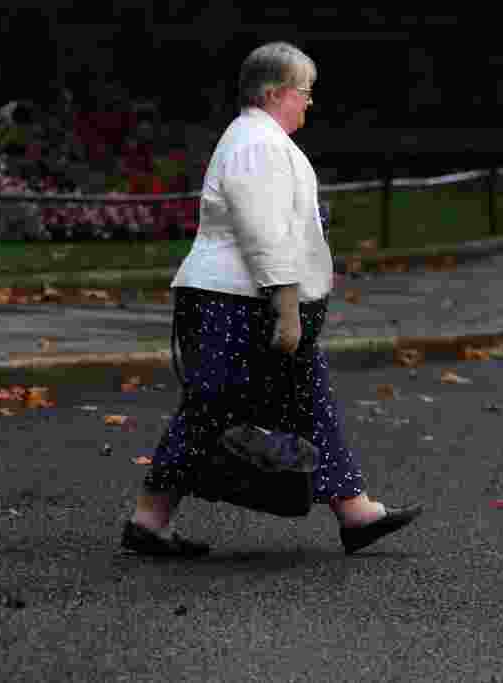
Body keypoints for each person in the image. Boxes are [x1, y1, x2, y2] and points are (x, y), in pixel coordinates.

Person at [120, 42, 423, 557]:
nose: (310, 103)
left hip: (243, 299)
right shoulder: (256, 144)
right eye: (305, 92)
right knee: (211, 408)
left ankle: (355, 509)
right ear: (277, 91)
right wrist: (286, 308)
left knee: (303, 397)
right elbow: (263, 235)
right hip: (238, 302)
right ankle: (149, 520)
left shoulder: (261, 140)